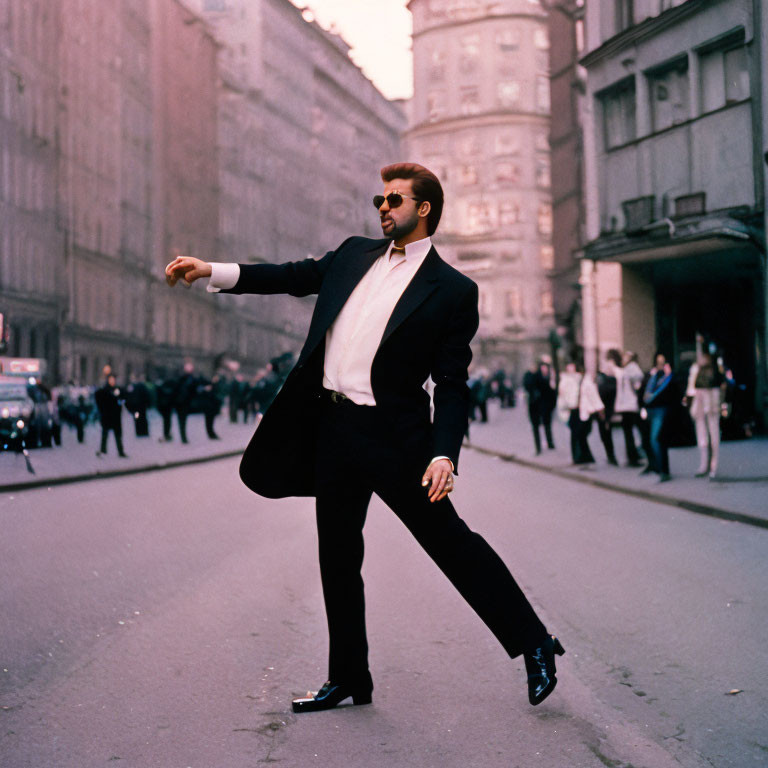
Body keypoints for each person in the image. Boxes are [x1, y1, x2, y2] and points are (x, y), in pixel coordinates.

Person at [165, 162, 564, 712]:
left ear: (423, 209)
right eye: (380, 199)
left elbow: (451, 384)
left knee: (450, 543)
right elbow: (291, 275)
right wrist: (213, 269)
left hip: (394, 438)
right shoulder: (353, 254)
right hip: (333, 428)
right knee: (337, 555)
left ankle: (534, 642)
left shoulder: (452, 291)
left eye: (394, 200)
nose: (382, 207)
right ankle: (350, 676)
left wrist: (445, 452)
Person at [685, 351, 724, 479]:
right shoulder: (696, 368)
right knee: (702, 435)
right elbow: (691, 387)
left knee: (713, 435)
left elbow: (720, 385)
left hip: (711, 401)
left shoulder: (715, 366)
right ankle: (704, 465)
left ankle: (713, 466)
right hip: (700, 401)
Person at [557, 361, 603, 465]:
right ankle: (580, 457)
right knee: (576, 434)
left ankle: (583, 457)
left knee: (580, 434)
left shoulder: (584, 380)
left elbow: (592, 395)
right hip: (573, 410)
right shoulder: (567, 380)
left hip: (581, 410)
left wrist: (599, 408)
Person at [642, 353, 676, 482]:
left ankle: (663, 470)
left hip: (661, 411)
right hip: (651, 411)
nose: (660, 365)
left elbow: (668, 392)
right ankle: (658, 468)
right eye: (658, 362)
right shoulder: (654, 376)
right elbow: (647, 392)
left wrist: (668, 375)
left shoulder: (669, 377)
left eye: (663, 362)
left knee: (656, 440)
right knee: (652, 440)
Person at [614, 351, 644, 467]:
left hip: (630, 405)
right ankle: (632, 455)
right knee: (628, 432)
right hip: (626, 405)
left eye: (626, 357)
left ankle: (634, 455)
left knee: (630, 432)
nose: (623, 358)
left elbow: (638, 381)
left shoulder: (632, 368)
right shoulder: (626, 369)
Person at [522, 360, 556, 455]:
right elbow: (527, 385)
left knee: (547, 425)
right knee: (536, 427)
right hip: (534, 406)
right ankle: (538, 447)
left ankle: (549, 443)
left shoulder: (547, 377)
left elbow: (551, 392)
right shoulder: (531, 376)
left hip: (544, 406)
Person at [94, 374, 128, 458]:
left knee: (118, 435)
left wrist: (120, 401)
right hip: (107, 415)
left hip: (116, 416)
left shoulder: (117, 390)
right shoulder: (104, 390)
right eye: (111, 379)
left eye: (113, 379)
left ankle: (120, 451)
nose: (112, 381)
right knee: (105, 434)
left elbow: (123, 399)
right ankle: (103, 450)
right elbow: (99, 399)